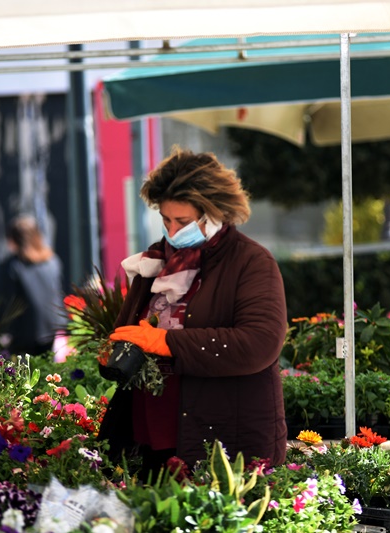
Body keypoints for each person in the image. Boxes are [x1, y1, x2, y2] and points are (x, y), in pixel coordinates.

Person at [99, 147, 288, 478]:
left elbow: (260, 342)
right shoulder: (155, 261)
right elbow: (132, 331)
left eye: (182, 222)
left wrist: (167, 342)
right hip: (149, 435)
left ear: (213, 213)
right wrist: (115, 351)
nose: (172, 231)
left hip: (221, 439)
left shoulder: (251, 262)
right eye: (165, 220)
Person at [1, 215, 66, 356]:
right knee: (49, 372)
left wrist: (6, 331)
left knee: (26, 374)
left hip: (25, 333)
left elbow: (11, 304)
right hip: (52, 327)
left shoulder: (14, 266)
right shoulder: (52, 261)